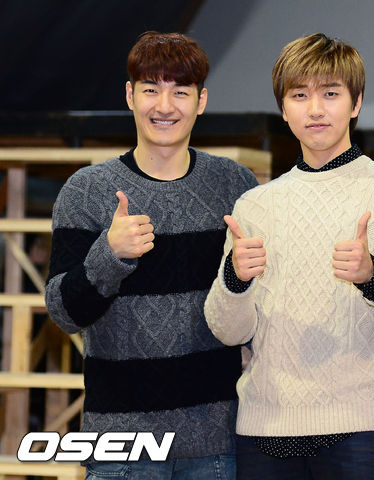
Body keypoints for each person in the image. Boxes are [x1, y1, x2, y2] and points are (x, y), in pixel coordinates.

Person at [203, 33, 374, 479]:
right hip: (263, 429)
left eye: (330, 94)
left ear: (356, 103)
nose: (315, 109)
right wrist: (235, 280)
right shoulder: (255, 205)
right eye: (300, 95)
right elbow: (227, 331)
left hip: (363, 428)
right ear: (283, 108)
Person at [45, 31, 258, 479]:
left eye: (180, 91)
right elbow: (64, 314)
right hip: (121, 446)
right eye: (150, 89)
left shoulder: (235, 185)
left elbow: (260, 299)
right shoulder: (86, 191)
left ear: (201, 101)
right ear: (130, 96)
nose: (164, 106)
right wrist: (109, 254)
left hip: (216, 444)